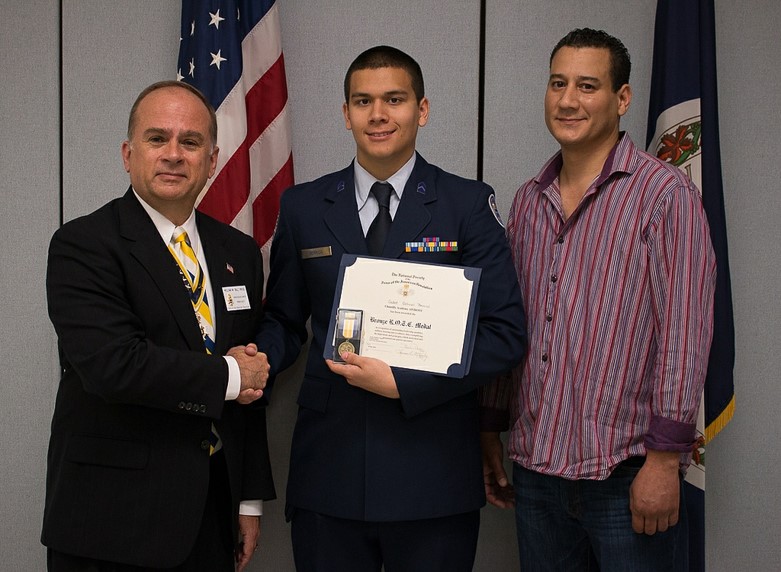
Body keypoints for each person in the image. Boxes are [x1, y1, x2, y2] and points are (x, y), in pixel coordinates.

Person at [254, 45, 526, 571]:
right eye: (363, 101)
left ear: (421, 110)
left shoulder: (465, 204)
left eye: (394, 99)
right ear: (346, 113)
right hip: (328, 475)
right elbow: (285, 321)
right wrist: (257, 358)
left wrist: (408, 382)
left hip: (431, 473)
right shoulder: (304, 206)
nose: (378, 115)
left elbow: (504, 332)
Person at [480, 28, 717, 571]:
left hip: (628, 475)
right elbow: (509, 319)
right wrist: (490, 425)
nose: (568, 100)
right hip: (536, 474)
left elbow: (685, 333)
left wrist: (664, 461)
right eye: (558, 83)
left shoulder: (664, 195)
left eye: (588, 86)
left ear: (622, 98)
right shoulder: (527, 201)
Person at [41, 81, 275, 572]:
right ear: (128, 154)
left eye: (190, 143)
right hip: (112, 523)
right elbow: (114, 366)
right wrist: (232, 377)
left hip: (213, 516)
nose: (173, 154)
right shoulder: (84, 245)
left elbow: (248, 371)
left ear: (212, 161)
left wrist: (248, 499)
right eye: (156, 139)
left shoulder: (238, 253)